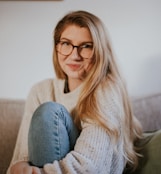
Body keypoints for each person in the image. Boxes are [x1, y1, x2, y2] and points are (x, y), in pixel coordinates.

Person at [8, 10, 142, 174]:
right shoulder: (40, 91)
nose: (74, 55)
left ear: (100, 51)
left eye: (86, 46)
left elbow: (89, 167)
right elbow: (19, 162)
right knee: (47, 110)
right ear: (57, 47)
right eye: (66, 43)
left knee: (50, 112)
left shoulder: (106, 90)